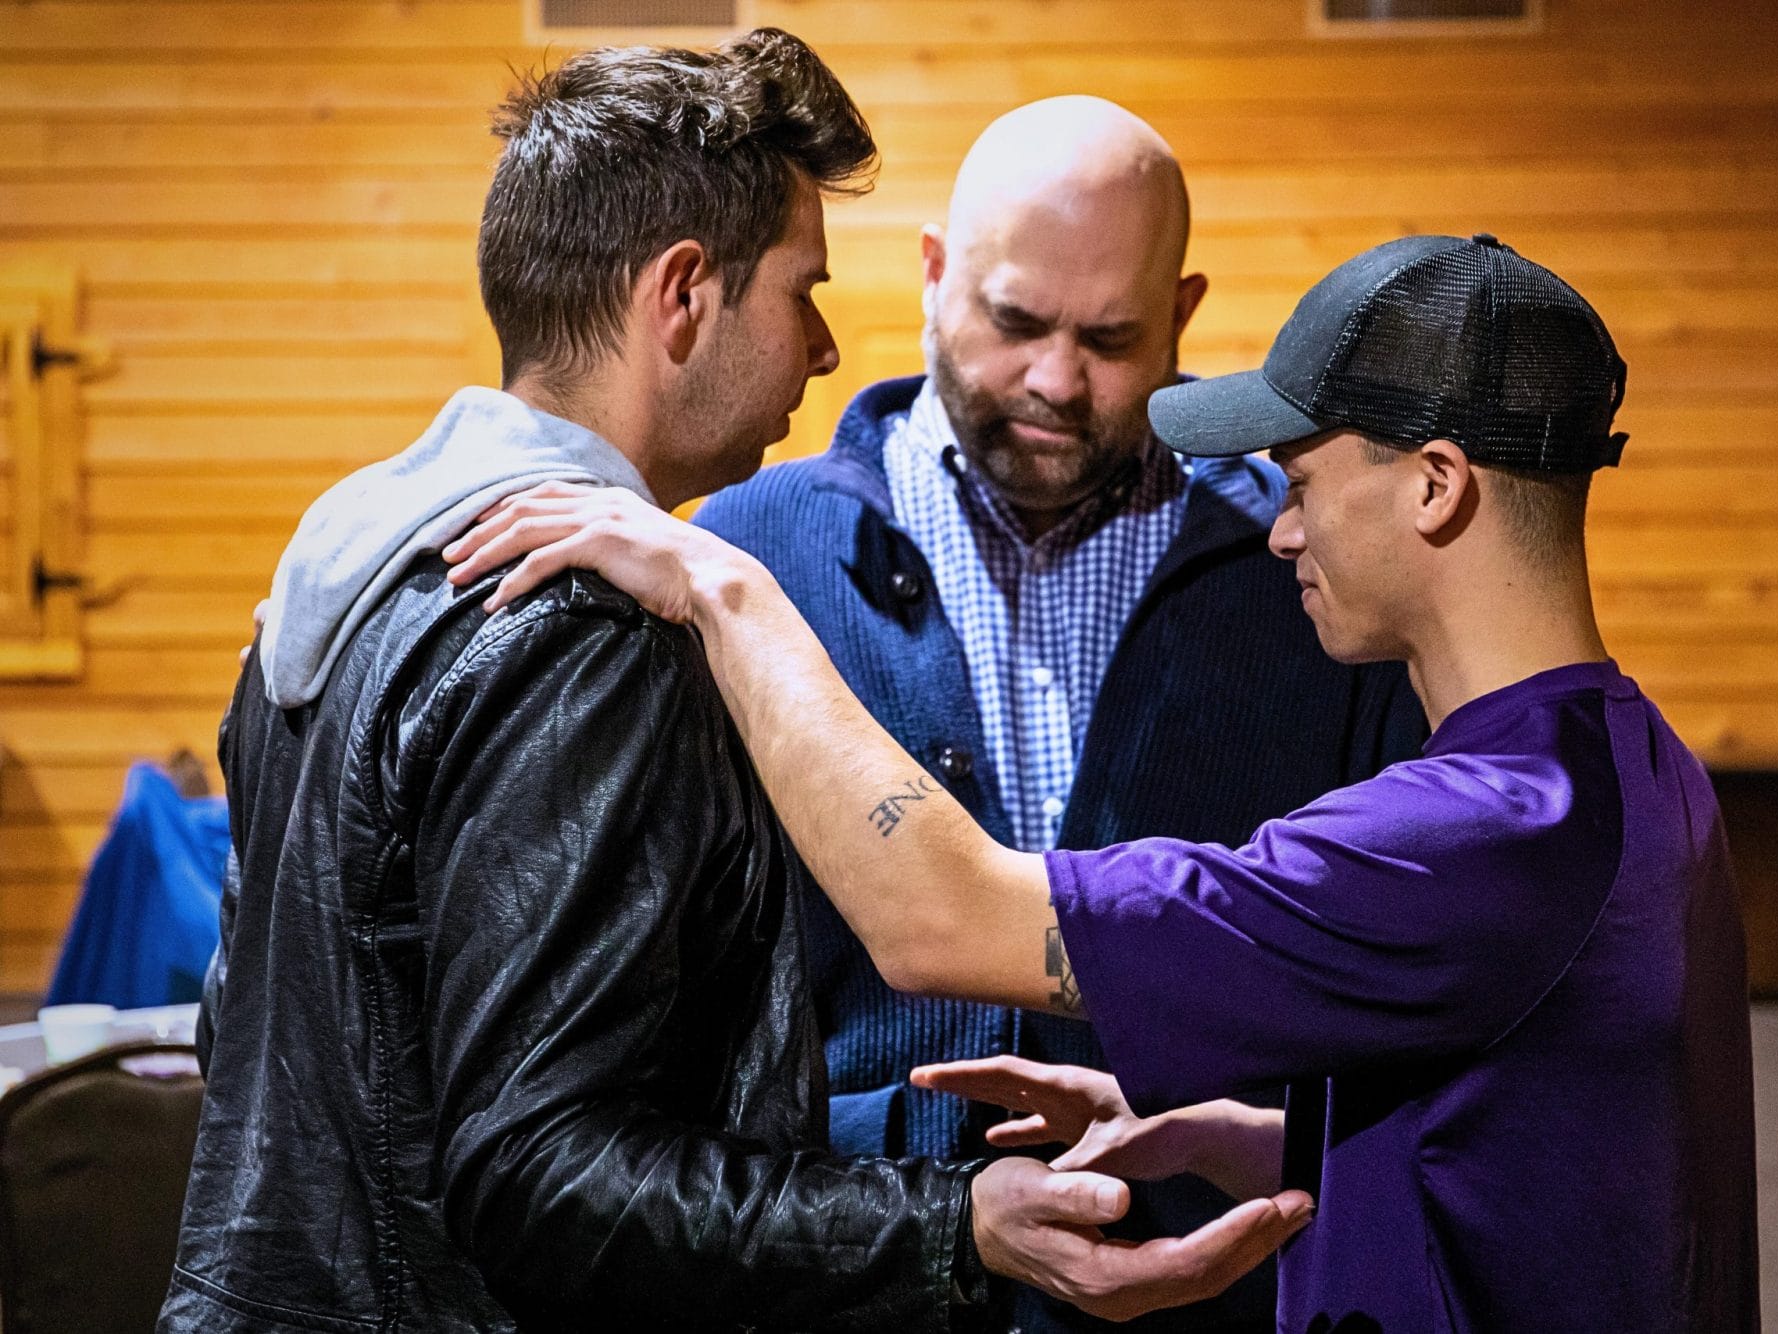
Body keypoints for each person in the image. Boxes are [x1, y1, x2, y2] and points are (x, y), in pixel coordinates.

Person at [164, 32, 1310, 1334]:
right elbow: (542, 1171)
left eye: (1108, 333)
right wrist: (950, 1222)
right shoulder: (594, 616)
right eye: (802, 290)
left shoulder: (351, 569)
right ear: (684, 299)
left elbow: (252, 1046)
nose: (826, 350)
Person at [447, 232, 1762, 1332]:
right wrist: (1241, 1129)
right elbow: (1538, 1131)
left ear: (1434, 486)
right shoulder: (1630, 758)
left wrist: (723, 585)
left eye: (1305, 484)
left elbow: (938, 918)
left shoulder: (1472, 830)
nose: (1284, 528)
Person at [693, 96, 1425, 1332]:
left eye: (1112, 337)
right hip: (854, 1282)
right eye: (1014, 321)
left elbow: (1385, 977)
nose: (1053, 380)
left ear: (1183, 315)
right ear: (933, 274)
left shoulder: (1306, 577)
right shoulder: (749, 556)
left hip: (1220, 1288)